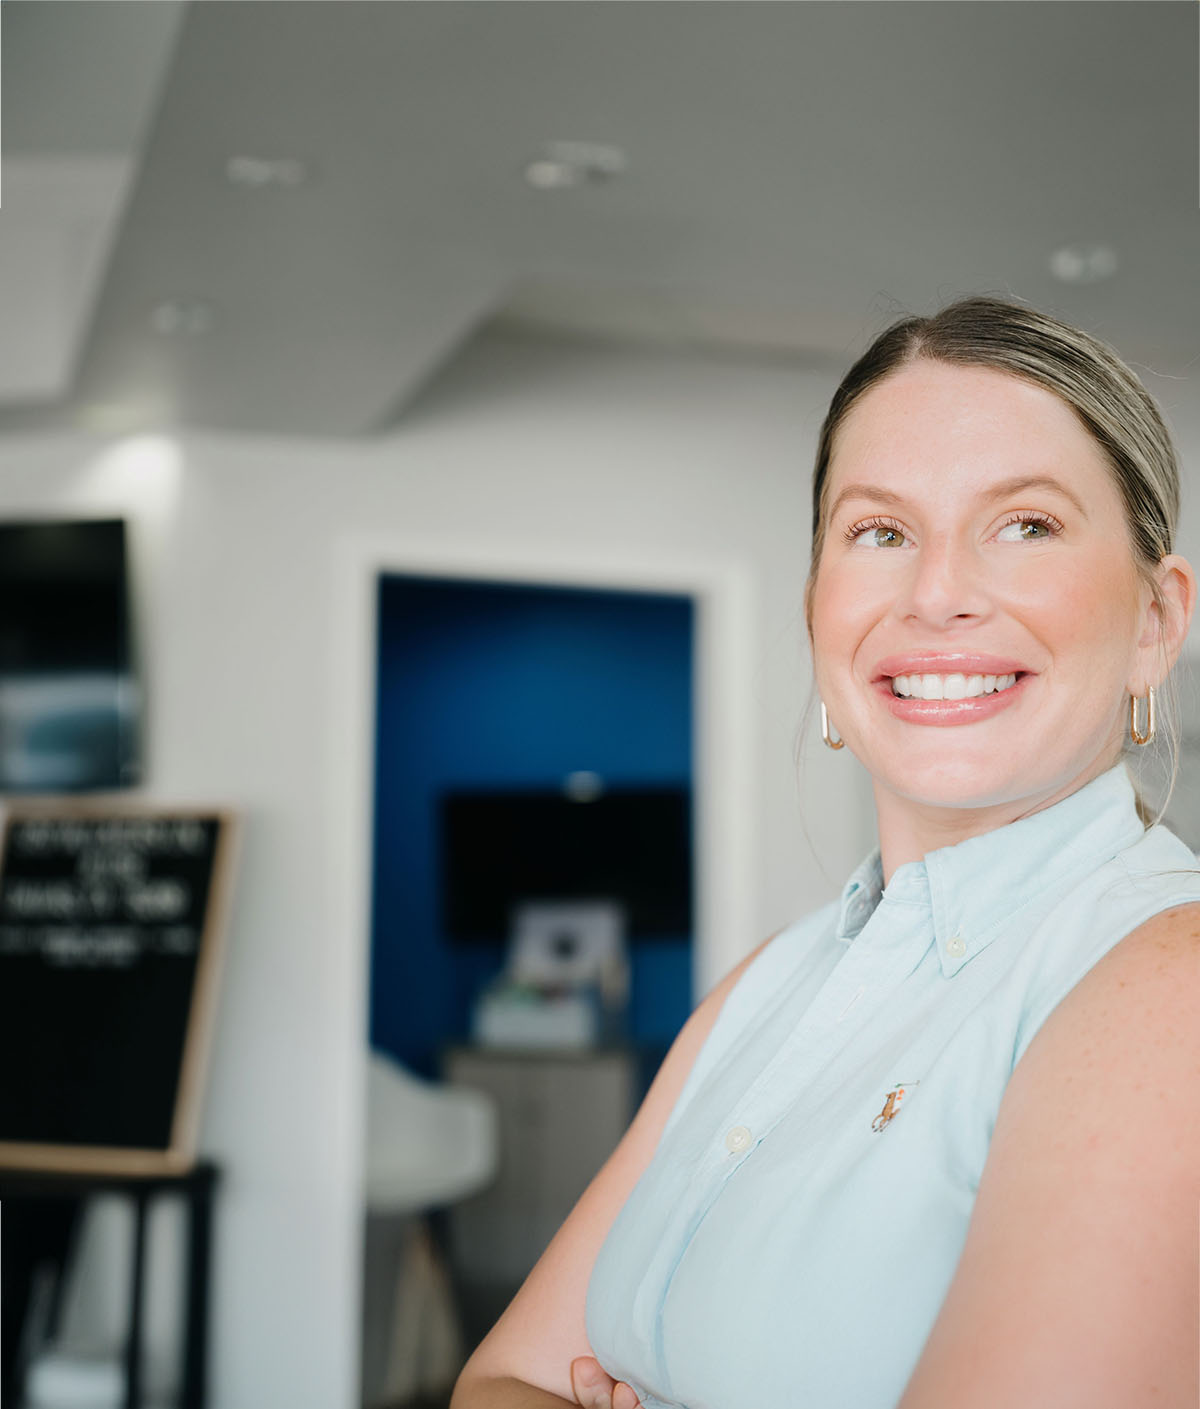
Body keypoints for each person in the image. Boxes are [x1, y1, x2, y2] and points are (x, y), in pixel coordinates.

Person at [449, 296, 1200, 1409]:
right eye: (879, 531)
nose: (938, 591)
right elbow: (499, 1378)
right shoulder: (767, 984)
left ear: (1154, 619)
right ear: (818, 614)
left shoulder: (1167, 984)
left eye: (1026, 523)